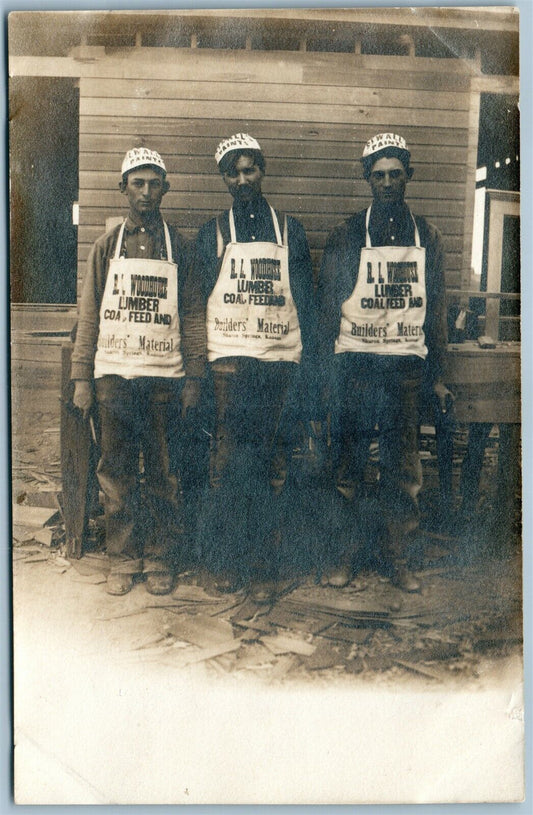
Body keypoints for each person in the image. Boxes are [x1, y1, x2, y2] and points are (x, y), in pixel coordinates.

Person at [317, 133, 453, 592]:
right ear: (367, 180)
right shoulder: (348, 234)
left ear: (408, 177)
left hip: (404, 370)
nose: (388, 183)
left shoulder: (427, 236)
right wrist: (326, 378)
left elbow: (435, 312)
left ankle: (398, 558)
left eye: (397, 174)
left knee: (402, 469)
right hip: (356, 367)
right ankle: (346, 556)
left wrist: (438, 377)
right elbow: (327, 309)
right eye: (379, 176)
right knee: (349, 465)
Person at [71, 147, 206, 596]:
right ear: (123, 188)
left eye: (154, 184)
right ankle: (124, 558)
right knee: (117, 471)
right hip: (113, 378)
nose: (146, 192)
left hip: (164, 380)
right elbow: (88, 314)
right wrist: (81, 379)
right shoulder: (105, 247)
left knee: (164, 471)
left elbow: (191, 317)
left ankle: (162, 557)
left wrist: (194, 378)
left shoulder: (179, 247)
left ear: (165, 188)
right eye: (137, 183)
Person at [194, 133, 317, 603]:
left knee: (273, 464)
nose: (242, 179)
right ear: (223, 178)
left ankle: (266, 565)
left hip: (279, 366)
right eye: (233, 172)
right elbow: (196, 303)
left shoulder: (290, 230)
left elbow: (305, 303)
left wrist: (307, 368)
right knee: (227, 463)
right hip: (228, 368)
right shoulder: (214, 232)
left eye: (250, 170)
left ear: (262, 172)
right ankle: (227, 561)